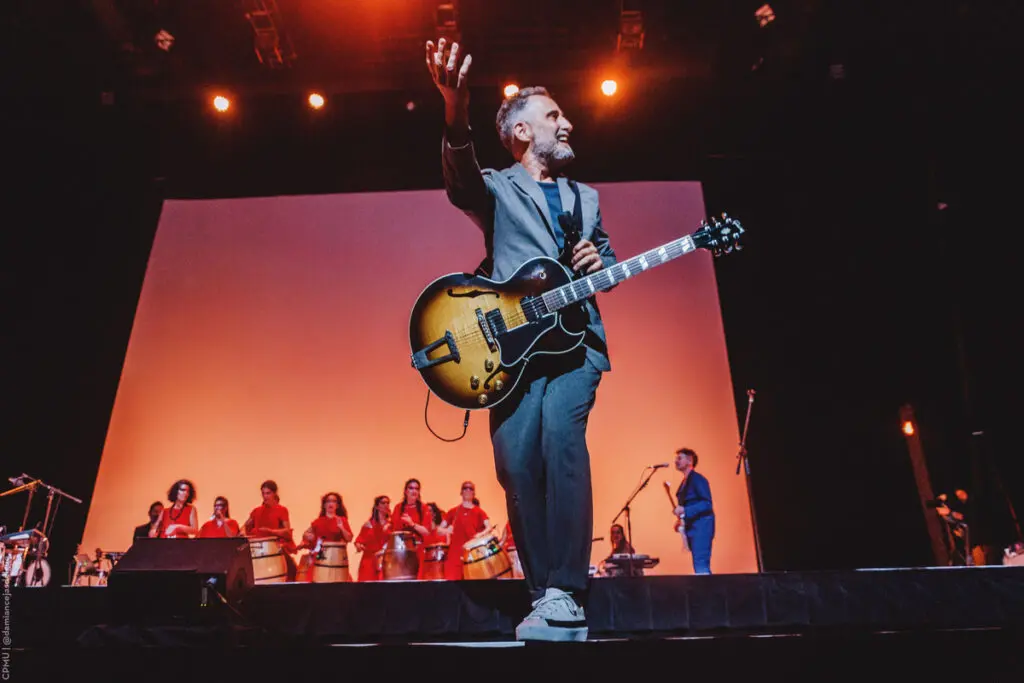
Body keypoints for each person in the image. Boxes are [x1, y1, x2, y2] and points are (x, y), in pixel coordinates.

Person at [426, 37, 617, 642]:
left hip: (574, 344)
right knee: (515, 465)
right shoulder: (498, 187)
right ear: (522, 132)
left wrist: (599, 261)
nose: (568, 122)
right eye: (554, 115)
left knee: (562, 440)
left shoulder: (586, 197)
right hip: (512, 350)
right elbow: (460, 184)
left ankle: (568, 589)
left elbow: (607, 261)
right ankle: (544, 593)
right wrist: (455, 109)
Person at [243, 480, 298, 580]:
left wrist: (271, 531)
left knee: (292, 570)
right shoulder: (257, 511)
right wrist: (243, 532)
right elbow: (245, 527)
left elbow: (287, 533)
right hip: (258, 550)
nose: (265, 496)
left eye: (268, 493)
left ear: (274, 493)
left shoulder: (281, 510)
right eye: (263, 493)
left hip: (275, 547)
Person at [673, 448, 715, 574]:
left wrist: (685, 510)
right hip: (692, 527)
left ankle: (706, 587)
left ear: (690, 461)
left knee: (701, 564)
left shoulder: (697, 479)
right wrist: (681, 520)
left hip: (701, 526)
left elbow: (707, 504)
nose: (676, 461)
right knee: (699, 564)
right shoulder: (685, 483)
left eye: (679, 458)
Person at [438, 481, 491, 580]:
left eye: (470, 488)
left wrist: (480, 534)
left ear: (474, 493)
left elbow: (489, 527)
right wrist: (446, 531)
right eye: (465, 488)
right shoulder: (453, 511)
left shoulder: (479, 512)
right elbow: (439, 529)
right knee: (452, 583)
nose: (468, 490)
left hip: (472, 554)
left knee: (472, 583)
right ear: (461, 492)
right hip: (455, 555)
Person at [354, 495, 392, 582]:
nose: (386, 505)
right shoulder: (369, 524)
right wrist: (359, 546)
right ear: (377, 506)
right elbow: (359, 541)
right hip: (369, 560)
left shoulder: (391, 524)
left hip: (385, 559)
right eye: (383, 503)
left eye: (388, 503)